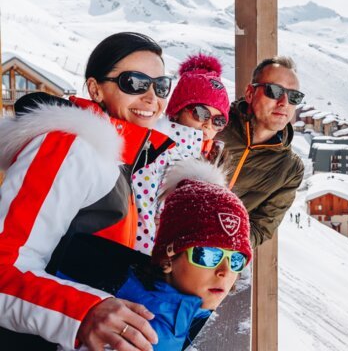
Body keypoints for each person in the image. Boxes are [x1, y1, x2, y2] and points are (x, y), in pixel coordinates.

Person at [0, 32, 175, 350]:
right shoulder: (68, 146)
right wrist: (82, 312)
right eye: (134, 82)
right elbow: (3, 268)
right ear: (96, 88)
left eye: (161, 85)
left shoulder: (117, 158)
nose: (152, 97)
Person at [116, 159, 252, 351]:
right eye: (208, 254)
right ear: (168, 257)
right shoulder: (140, 334)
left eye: (237, 260)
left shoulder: (179, 318)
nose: (225, 271)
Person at [132, 53, 230, 255]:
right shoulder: (158, 146)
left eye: (218, 120)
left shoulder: (212, 156)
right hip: (148, 254)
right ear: (177, 110)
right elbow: (142, 206)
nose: (207, 123)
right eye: (200, 113)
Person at [215, 56, 305, 247]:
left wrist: (224, 244)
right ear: (250, 93)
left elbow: (260, 226)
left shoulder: (289, 169)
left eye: (294, 96)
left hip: (215, 259)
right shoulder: (213, 125)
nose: (284, 102)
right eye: (274, 91)